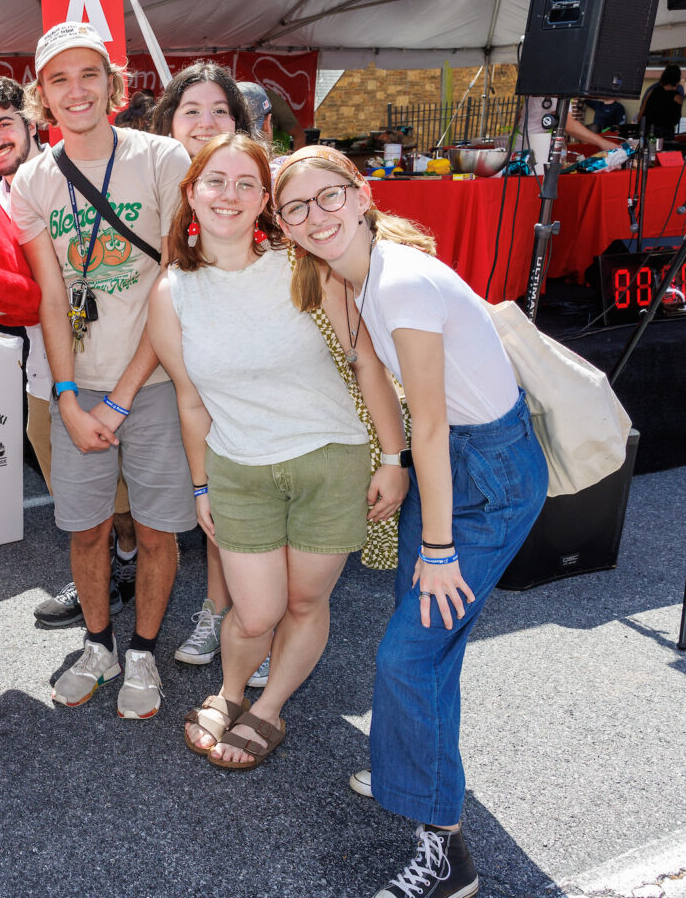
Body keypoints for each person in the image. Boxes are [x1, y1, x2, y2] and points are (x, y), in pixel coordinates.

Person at [275, 146, 547, 898]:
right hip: (446, 459)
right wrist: (390, 461)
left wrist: (438, 544)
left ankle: (446, 858)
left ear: (360, 195)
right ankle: (412, 770)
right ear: (285, 226)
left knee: (409, 654)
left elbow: (431, 422)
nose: (315, 216)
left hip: (486, 472)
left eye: (327, 198)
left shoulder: (403, 281)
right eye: (296, 208)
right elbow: (370, 371)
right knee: (426, 641)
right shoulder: (351, 277)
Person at [149, 134, 407, 770]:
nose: (229, 195)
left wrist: (395, 459)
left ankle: (268, 710)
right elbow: (189, 401)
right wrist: (202, 485)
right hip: (240, 470)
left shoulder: (304, 265)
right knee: (256, 610)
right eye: (216, 182)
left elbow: (367, 363)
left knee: (303, 603)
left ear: (265, 199)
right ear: (191, 193)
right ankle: (229, 690)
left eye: (246, 184)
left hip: (332, 461)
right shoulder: (172, 292)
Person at [9, 21, 194, 720]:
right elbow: (52, 295)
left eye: (90, 74)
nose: (76, 90)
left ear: (114, 86)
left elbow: (176, 282)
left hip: (154, 382)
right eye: (60, 78)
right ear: (42, 96)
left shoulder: (163, 158)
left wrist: (117, 399)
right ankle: (99, 643)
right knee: (84, 529)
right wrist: (65, 393)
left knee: (156, 530)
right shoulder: (29, 180)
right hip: (76, 388)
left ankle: (143, 648)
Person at [0, 75, 137, 629]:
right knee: (67, 475)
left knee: (128, 483)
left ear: (31, 121)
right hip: (44, 368)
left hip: (118, 356)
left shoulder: (77, 174)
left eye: (4, 124)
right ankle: (100, 565)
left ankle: (126, 560)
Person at [147, 61, 258, 672]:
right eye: (191, 110)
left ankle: (236, 613)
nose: (205, 121)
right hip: (184, 361)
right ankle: (227, 610)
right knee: (211, 487)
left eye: (219, 110)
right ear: (169, 120)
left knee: (241, 490)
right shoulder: (161, 179)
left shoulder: (251, 182)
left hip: (249, 364)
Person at [641, 63, 686, 142]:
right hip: (665, 135)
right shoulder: (677, 97)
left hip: (648, 131)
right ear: (677, 80)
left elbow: (641, 113)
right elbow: (676, 119)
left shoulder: (652, 91)